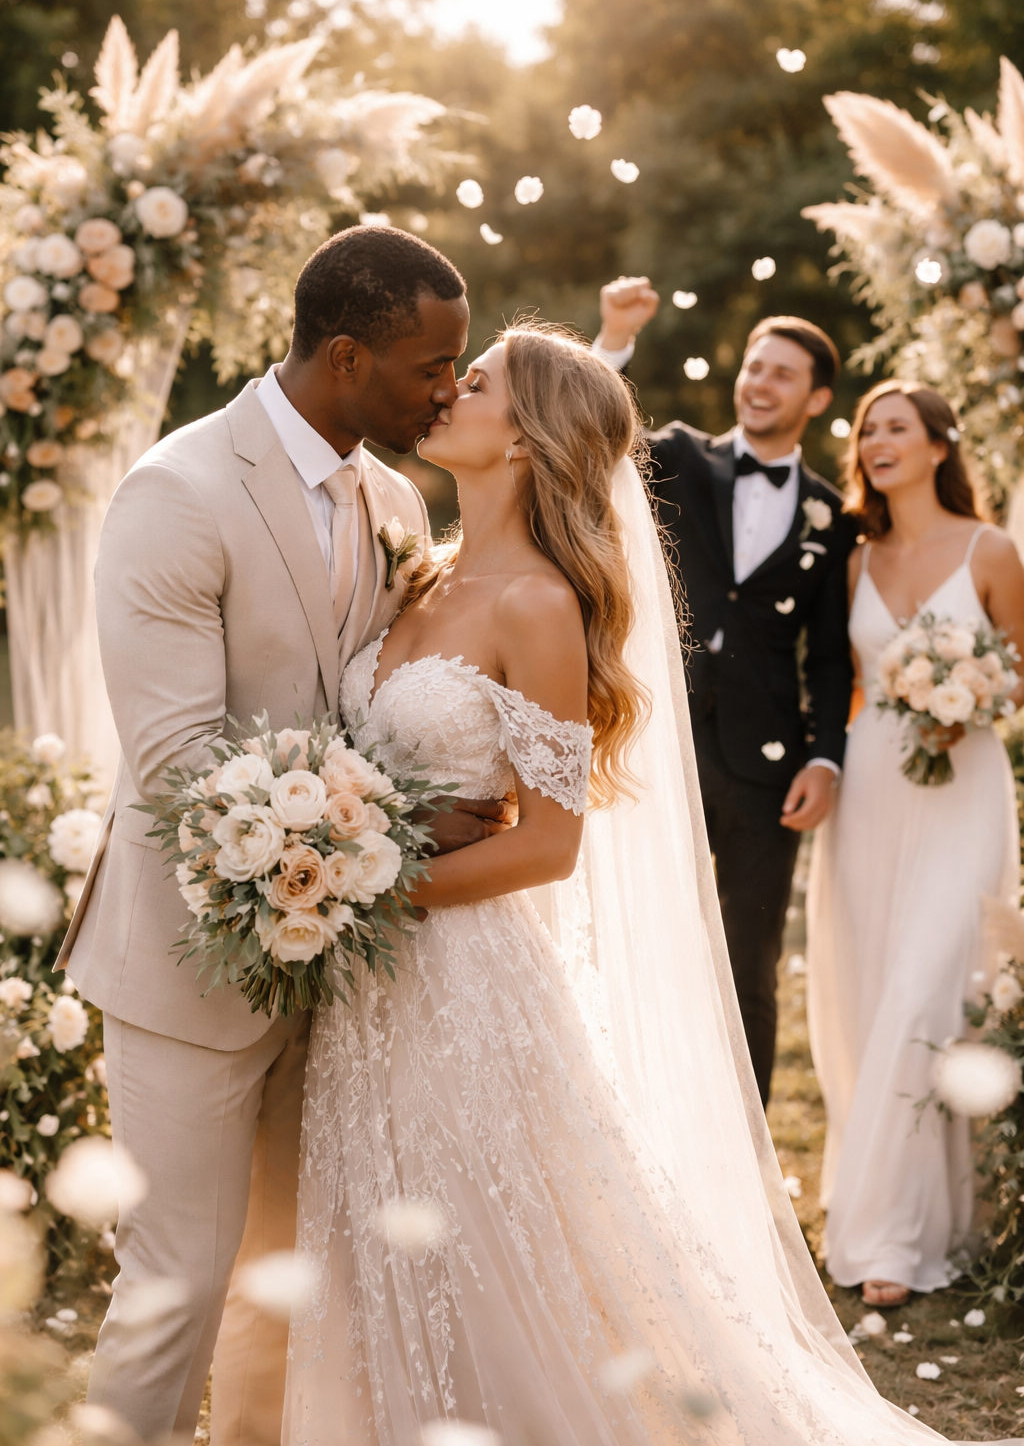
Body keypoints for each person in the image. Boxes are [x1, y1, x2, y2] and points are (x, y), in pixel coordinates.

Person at [285, 321, 989, 1445]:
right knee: (378, 1238)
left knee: (495, 1245)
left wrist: (361, 886)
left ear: (524, 440)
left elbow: (550, 845)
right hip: (363, 977)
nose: (444, 393)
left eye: (473, 383)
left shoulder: (539, 606)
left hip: (460, 980)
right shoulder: (412, 566)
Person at [54, 227, 514, 1445]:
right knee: (177, 1286)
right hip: (185, 966)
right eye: (433, 364)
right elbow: (178, 769)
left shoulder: (394, 499)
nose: (448, 388)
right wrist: (406, 828)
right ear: (348, 354)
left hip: (344, 980)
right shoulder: (177, 491)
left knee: (283, 1290)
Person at [594, 281, 855, 1105]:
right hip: (659, 742)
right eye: (754, 366)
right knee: (643, 939)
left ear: (815, 398)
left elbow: (831, 657)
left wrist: (825, 757)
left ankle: (749, 1155)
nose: (759, 382)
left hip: (766, 768)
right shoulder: (675, 454)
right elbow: (593, 438)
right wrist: (614, 340)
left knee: (752, 963)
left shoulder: (828, 512)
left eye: (782, 374)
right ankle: (640, 1117)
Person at [806, 380, 1024, 1308]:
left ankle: (891, 1238)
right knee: (868, 994)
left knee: (928, 991)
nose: (876, 442)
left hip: (963, 792)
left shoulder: (991, 550)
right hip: (873, 792)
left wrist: (975, 699)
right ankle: (904, 1208)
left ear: (939, 444)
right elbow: (842, 682)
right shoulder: (852, 560)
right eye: (867, 432)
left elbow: (1021, 678)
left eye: (896, 428)